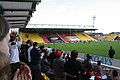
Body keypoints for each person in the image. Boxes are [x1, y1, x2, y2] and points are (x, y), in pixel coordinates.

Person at [0, 15, 32, 80]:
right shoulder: (14, 44)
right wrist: (19, 35)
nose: (7, 50)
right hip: (14, 62)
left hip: (12, 62)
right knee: (14, 74)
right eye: (6, 40)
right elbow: (20, 41)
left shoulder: (10, 44)